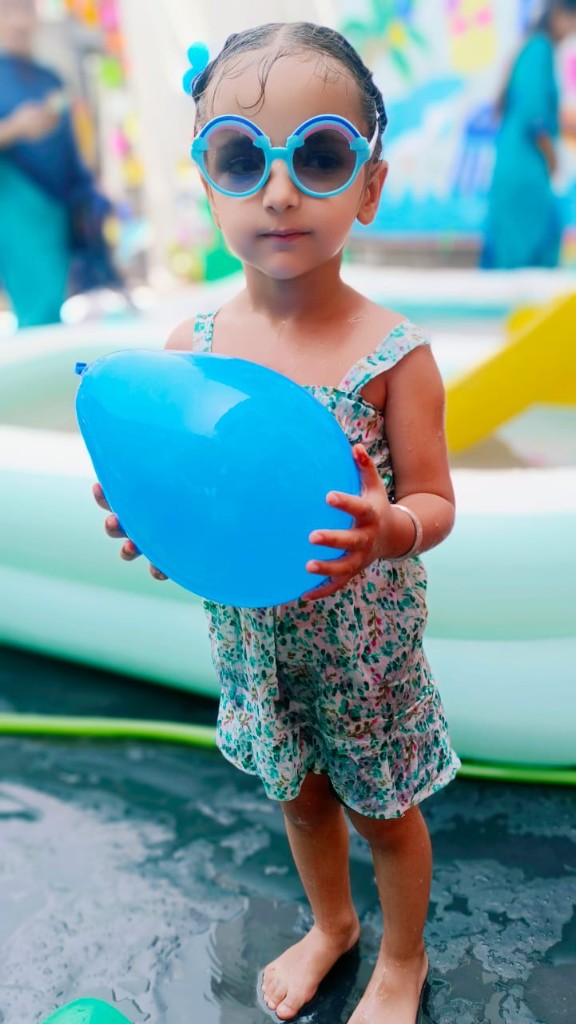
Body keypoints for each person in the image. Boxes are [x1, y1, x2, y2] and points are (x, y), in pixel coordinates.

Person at [93, 22, 459, 1024]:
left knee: (385, 809)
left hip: (366, 650)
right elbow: (195, 501)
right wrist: (151, 523)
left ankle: (404, 957)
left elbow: (437, 502)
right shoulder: (192, 350)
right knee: (297, 795)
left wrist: (390, 528)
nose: (281, 188)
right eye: (243, 158)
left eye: (323, 154)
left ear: (370, 186)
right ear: (208, 185)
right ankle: (335, 924)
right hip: (256, 644)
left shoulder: (393, 357)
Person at [0, 0, 120, 328]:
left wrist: (88, 191)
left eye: (25, 9)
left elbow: (70, 144)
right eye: (8, 10)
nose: (18, 20)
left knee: (63, 304)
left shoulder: (49, 78)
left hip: (60, 204)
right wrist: (15, 128)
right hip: (17, 208)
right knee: (38, 309)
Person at [481, 0, 576, 269]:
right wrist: (552, 158)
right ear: (559, 15)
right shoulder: (541, 49)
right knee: (531, 251)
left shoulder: (531, 48)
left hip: (513, 165)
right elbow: (535, 118)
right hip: (526, 170)